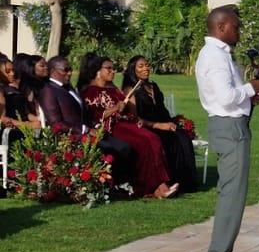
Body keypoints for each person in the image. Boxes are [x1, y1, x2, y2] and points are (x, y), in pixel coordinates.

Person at [195, 6, 259, 252]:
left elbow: (231, 96)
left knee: (235, 193)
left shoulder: (221, 55)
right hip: (228, 128)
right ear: (221, 27)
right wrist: (251, 88)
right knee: (231, 194)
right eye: (235, 27)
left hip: (233, 125)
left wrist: (248, 98)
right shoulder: (213, 56)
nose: (238, 32)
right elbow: (225, 98)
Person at [80, 54, 178, 199]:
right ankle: (153, 188)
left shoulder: (113, 89)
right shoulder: (90, 91)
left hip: (126, 124)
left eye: (114, 69)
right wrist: (114, 109)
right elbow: (94, 116)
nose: (113, 72)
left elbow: (126, 109)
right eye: (109, 69)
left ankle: (159, 185)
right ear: (97, 71)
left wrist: (134, 118)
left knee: (153, 139)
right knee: (146, 141)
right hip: (112, 128)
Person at [40, 56, 135, 188]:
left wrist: (96, 126)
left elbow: (84, 114)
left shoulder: (69, 88)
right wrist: (86, 130)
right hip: (72, 136)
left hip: (89, 130)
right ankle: (109, 187)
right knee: (107, 148)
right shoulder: (49, 91)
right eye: (66, 70)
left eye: (70, 69)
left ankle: (122, 185)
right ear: (53, 71)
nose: (69, 73)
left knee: (124, 147)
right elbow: (56, 123)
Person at [122, 56, 199, 193]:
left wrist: (171, 123)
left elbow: (162, 110)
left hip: (165, 123)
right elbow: (134, 118)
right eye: (141, 66)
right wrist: (159, 125)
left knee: (183, 138)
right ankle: (168, 182)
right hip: (148, 126)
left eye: (147, 65)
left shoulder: (153, 86)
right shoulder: (131, 90)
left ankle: (186, 182)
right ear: (133, 70)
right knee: (168, 140)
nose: (146, 68)